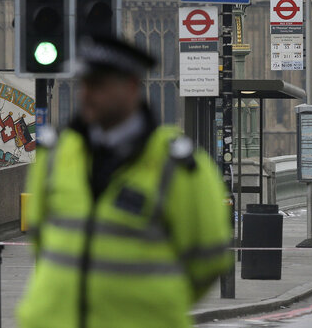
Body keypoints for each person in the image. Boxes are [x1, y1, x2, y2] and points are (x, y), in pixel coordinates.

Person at [17, 36, 232, 328]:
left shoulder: (178, 165)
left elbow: (208, 260)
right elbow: (41, 238)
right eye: (84, 84)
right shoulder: (55, 155)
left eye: (99, 85)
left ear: (131, 87)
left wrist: (155, 302)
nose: (87, 94)